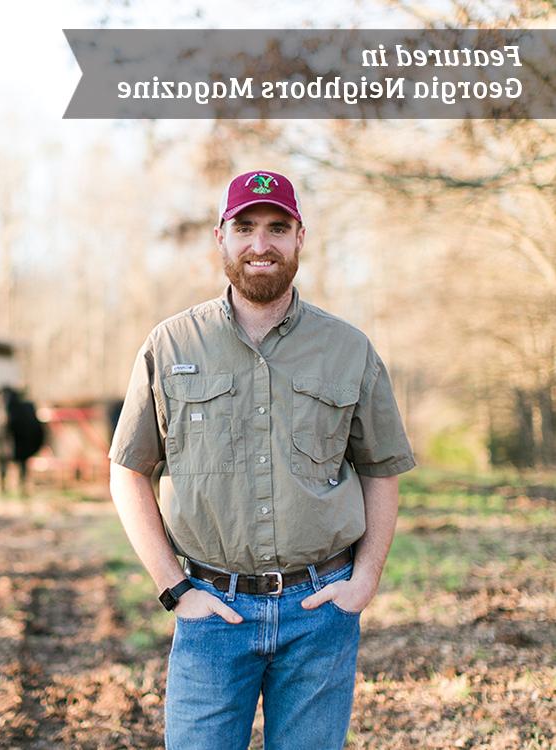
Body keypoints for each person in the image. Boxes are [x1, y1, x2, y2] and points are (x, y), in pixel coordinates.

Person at [108, 169, 415, 750]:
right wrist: (175, 588)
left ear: (300, 238)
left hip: (320, 612)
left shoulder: (349, 349)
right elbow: (127, 471)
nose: (260, 244)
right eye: (244, 227)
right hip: (211, 614)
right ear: (220, 238)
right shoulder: (170, 346)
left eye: (278, 228)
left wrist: (365, 580)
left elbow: (381, 469)